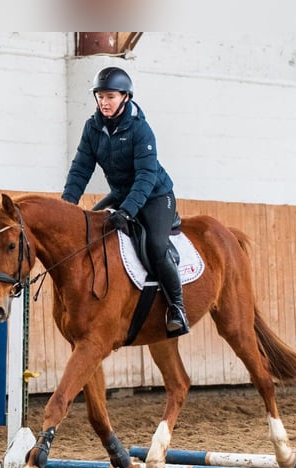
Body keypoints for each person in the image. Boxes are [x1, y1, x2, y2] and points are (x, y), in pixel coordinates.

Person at [61, 66, 189, 337]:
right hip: (121, 194)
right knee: (87, 234)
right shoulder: (92, 128)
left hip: (155, 196)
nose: (104, 103)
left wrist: (128, 211)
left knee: (155, 245)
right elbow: (80, 170)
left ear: (125, 97)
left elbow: (145, 176)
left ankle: (177, 308)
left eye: (110, 97)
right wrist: (66, 208)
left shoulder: (141, 130)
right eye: (100, 97)